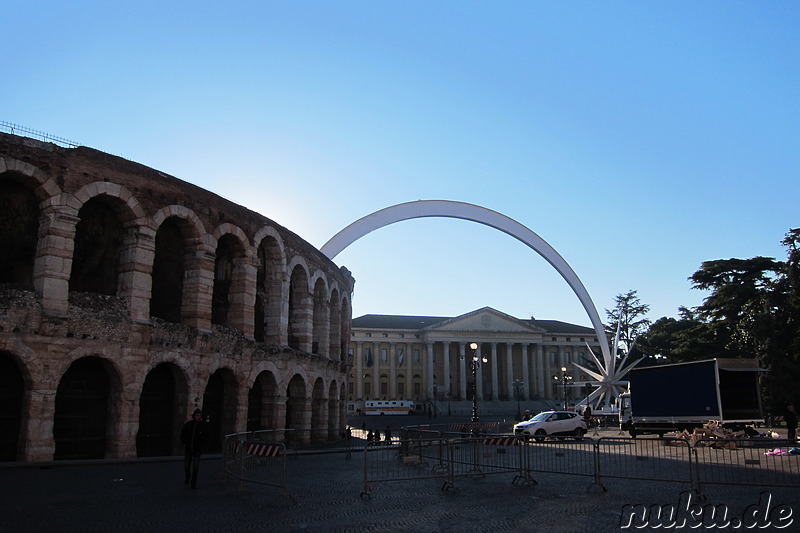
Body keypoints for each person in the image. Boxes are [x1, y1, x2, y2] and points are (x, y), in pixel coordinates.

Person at [181, 408, 206, 489]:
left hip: (197, 450)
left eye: (200, 416)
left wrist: (201, 445)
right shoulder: (188, 424)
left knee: (196, 466)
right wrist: (184, 443)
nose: (199, 417)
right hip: (188, 449)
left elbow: (206, 437)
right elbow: (183, 435)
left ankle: (193, 483)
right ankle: (188, 476)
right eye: (197, 415)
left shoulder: (202, 426)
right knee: (186, 466)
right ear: (194, 416)